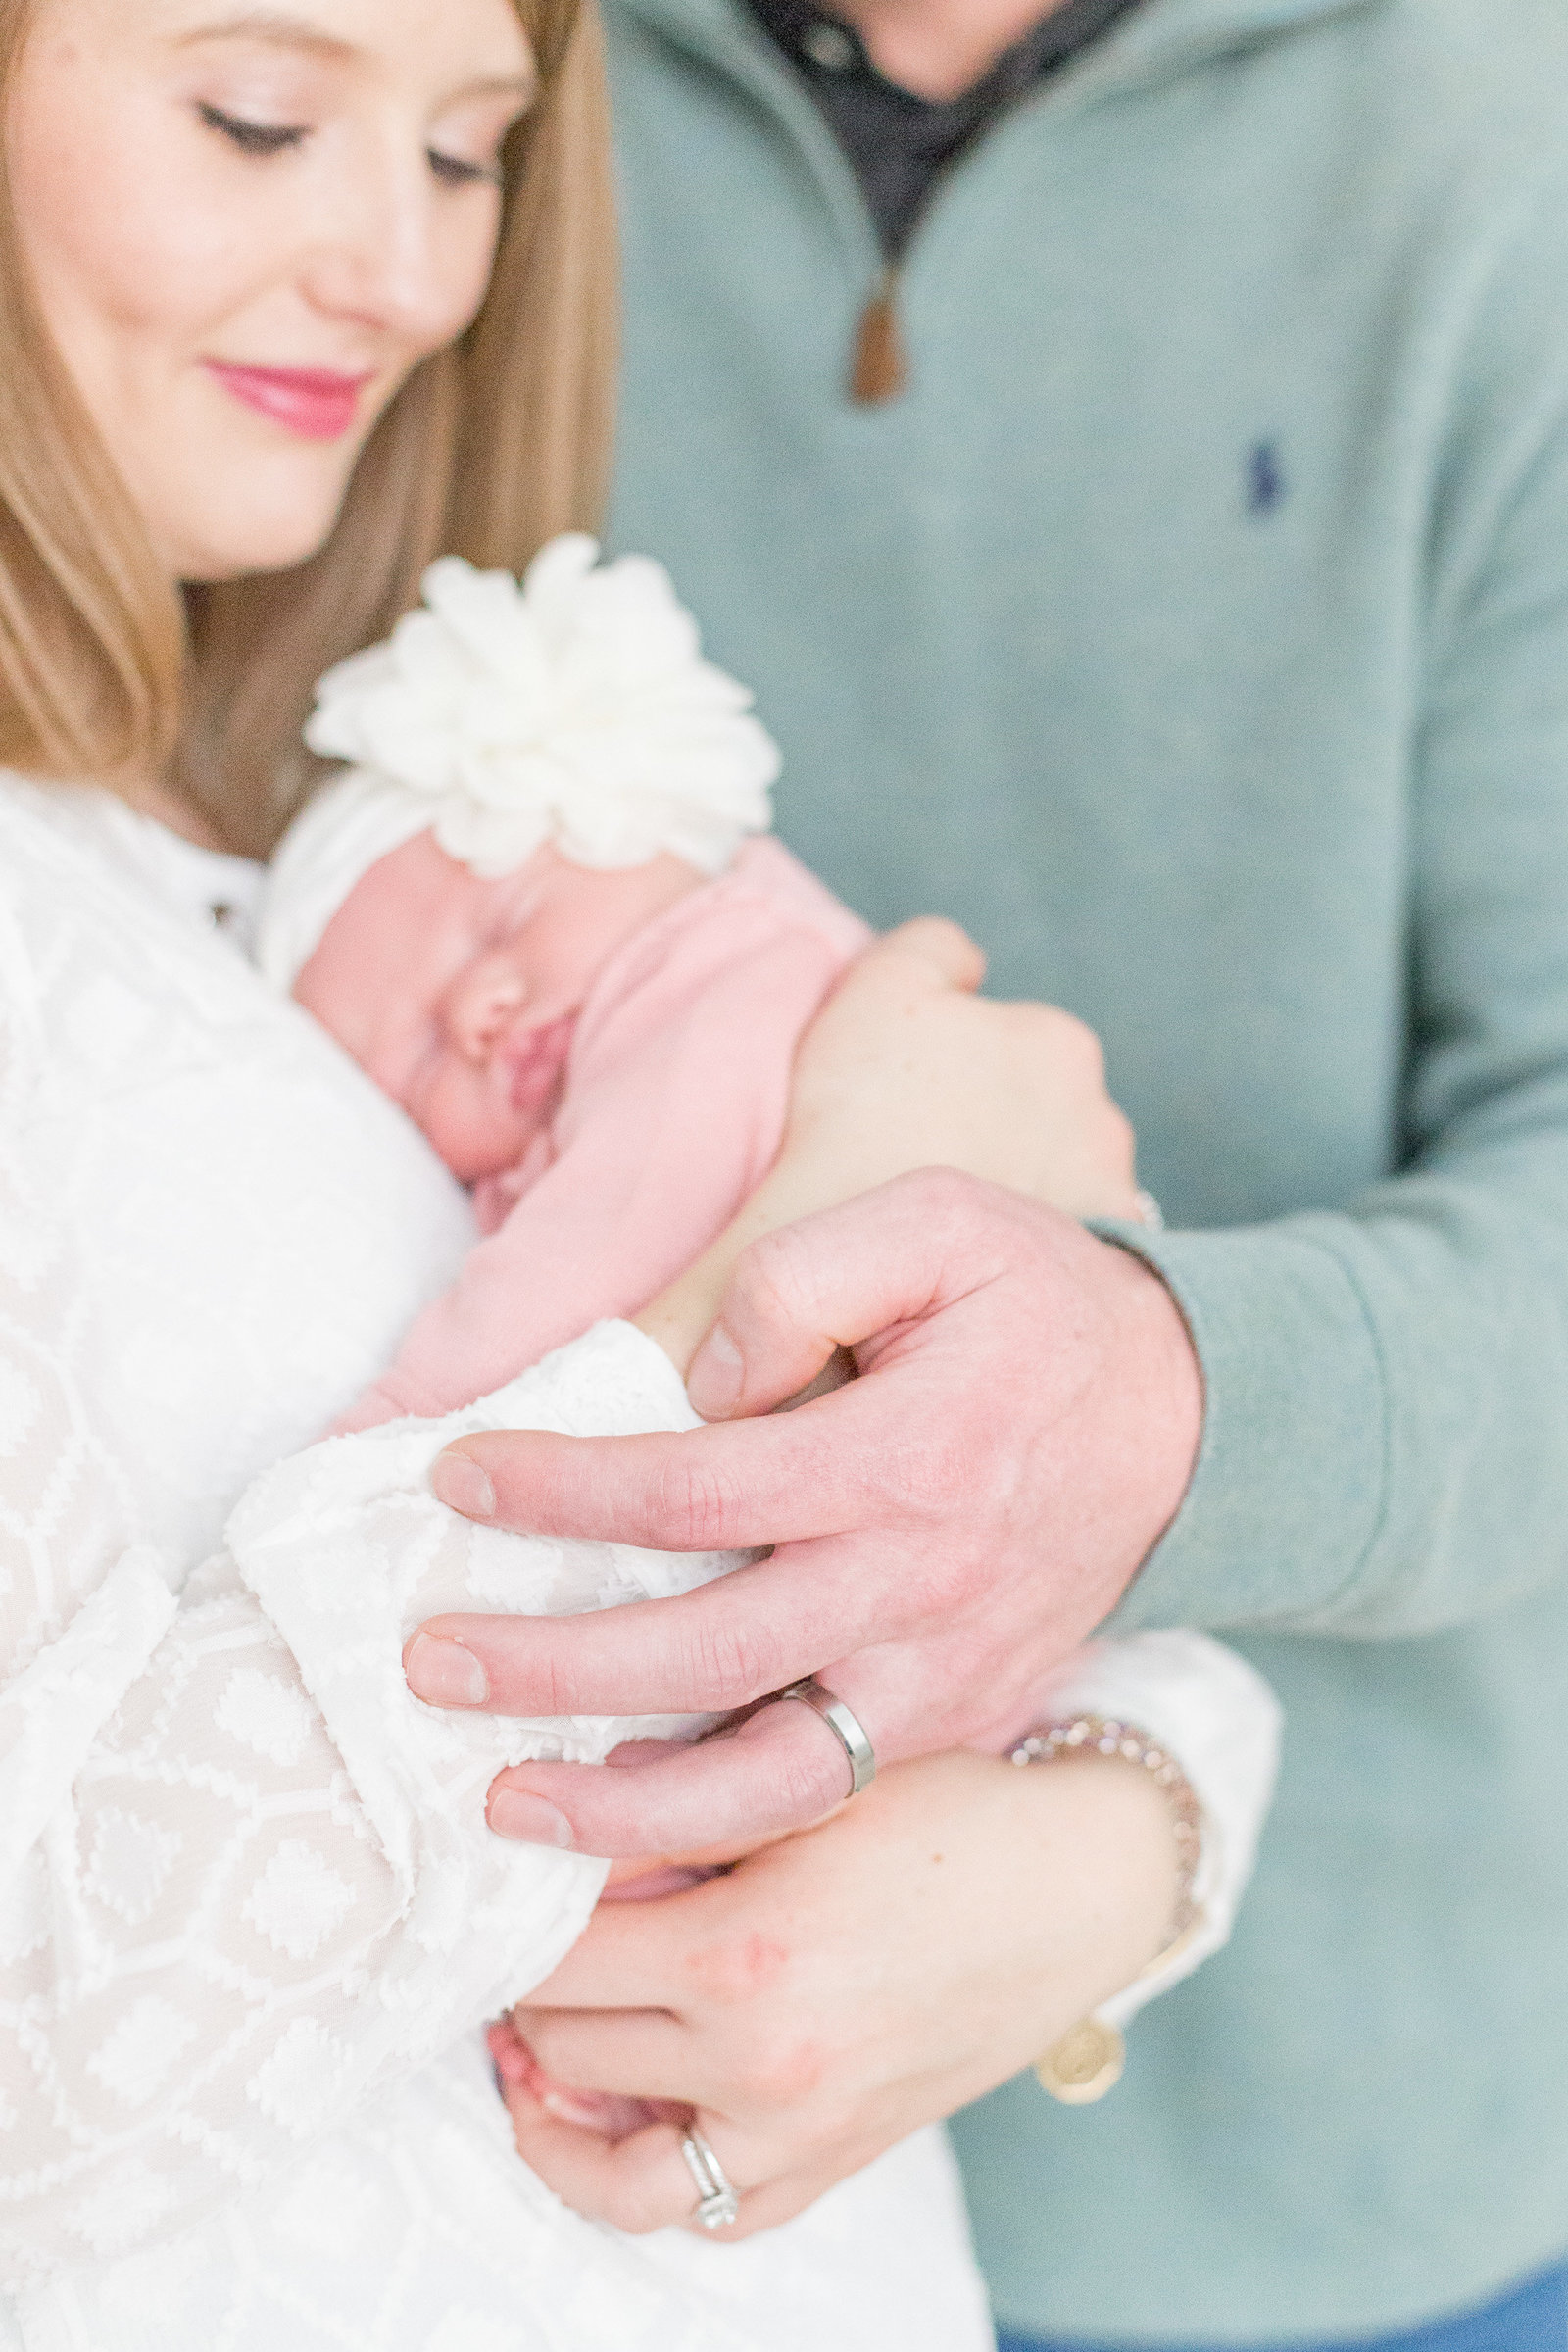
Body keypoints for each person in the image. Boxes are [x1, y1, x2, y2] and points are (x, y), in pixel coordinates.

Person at [0, 1, 1241, 2345]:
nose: (400, 269)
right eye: (257, 116)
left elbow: (1121, 1632)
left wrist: (1106, 1836)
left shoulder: (342, 821)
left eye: (472, 157)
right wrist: (757, 1268)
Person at [397, 0, 1568, 2344]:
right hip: (495, 2134)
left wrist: (1161, 1409)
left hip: (1327, 2178)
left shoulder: (1497, 144)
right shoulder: (441, 84)